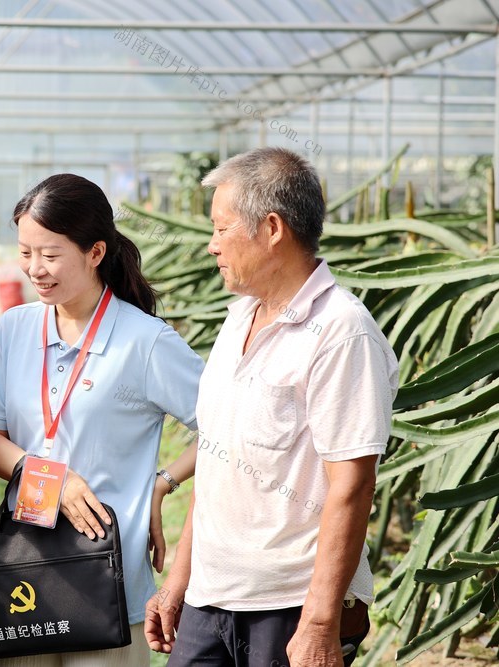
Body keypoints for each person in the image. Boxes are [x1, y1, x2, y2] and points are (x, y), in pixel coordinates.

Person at [144, 147, 399, 667]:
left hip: (289, 607)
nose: (212, 246)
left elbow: (352, 485)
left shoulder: (341, 333)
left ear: (273, 228)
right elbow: (218, 457)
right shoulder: (238, 318)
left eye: (221, 229)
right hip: (209, 600)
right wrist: (177, 586)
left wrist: (321, 623)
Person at [0, 173, 204, 666]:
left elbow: (227, 427)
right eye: (25, 253)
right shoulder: (14, 329)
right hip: (27, 574)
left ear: (96, 252)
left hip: (108, 576)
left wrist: (163, 482)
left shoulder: (145, 341)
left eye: (51, 255)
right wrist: (49, 479)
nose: (35, 269)